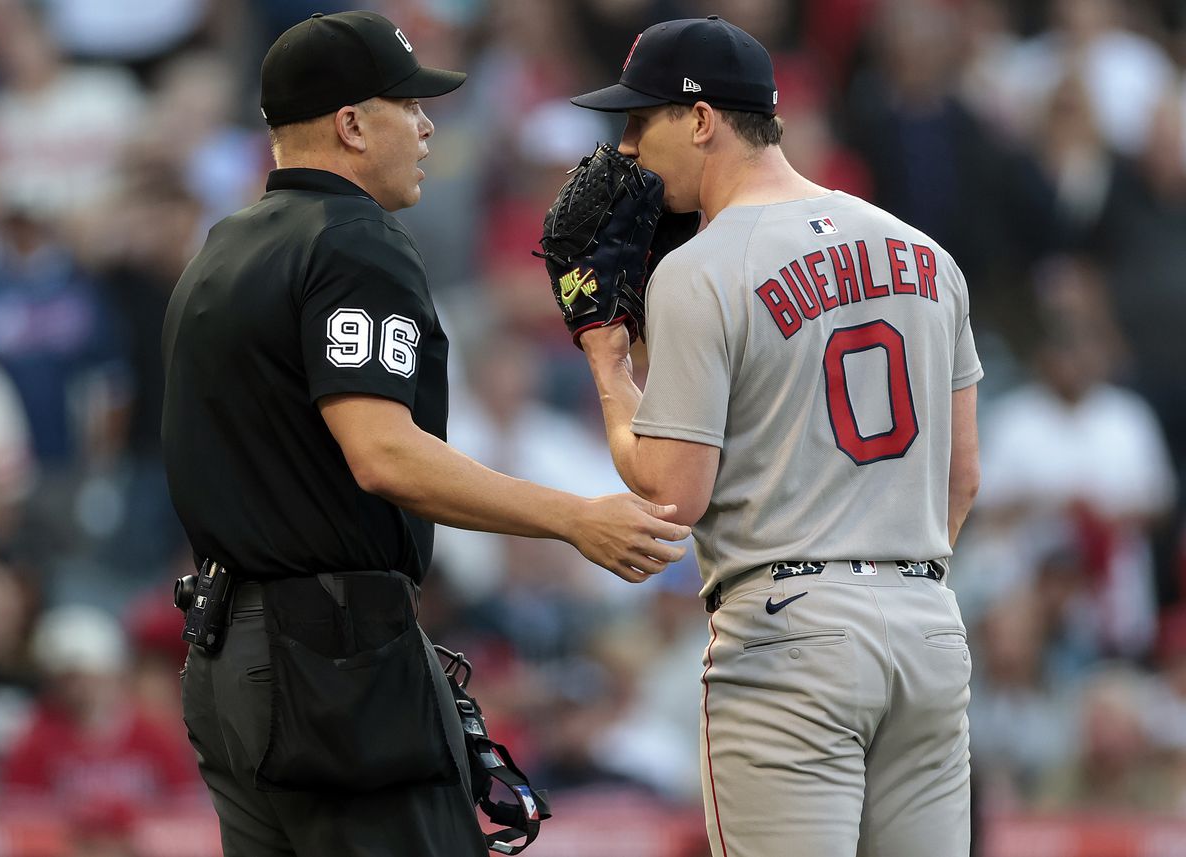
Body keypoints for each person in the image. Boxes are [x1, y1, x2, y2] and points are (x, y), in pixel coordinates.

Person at [160, 11, 689, 857]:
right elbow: (381, 451)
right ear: (351, 124)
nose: (428, 123)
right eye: (408, 104)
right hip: (325, 659)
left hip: (227, 655)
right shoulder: (354, 241)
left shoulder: (222, 249)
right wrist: (574, 517)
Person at [564, 16, 983, 857]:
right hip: (929, 625)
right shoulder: (926, 254)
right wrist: (891, 574)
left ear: (702, 118)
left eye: (640, 121)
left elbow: (672, 498)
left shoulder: (700, 268)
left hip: (790, 628)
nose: (629, 150)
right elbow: (962, 478)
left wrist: (609, 366)